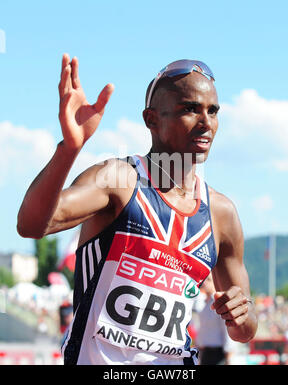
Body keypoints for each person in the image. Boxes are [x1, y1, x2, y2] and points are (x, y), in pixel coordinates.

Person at [17, 55, 258, 365]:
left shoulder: (221, 214)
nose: (206, 122)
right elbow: (32, 226)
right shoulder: (119, 181)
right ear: (151, 119)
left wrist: (242, 313)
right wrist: (69, 148)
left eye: (213, 111)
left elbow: (245, 330)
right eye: (190, 109)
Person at [193, 274, 237, 365]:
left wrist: (229, 357)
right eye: (205, 279)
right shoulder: (202, 303)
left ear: (215, 282)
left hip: (218, 353)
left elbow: (226, 329)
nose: (205, 283)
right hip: (205, 353)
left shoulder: (219, 303)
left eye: (208, 280)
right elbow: (202, 330)